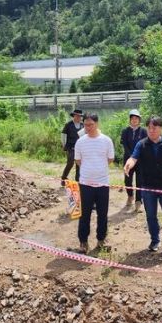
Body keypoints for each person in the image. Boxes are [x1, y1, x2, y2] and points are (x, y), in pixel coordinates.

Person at [124, 116, 162, 257]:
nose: (151, 130)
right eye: (149, 128)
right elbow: (134, 157)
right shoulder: (141, 144)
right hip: (147, 186)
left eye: (154, 128)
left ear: (161, 128)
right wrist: (129, 163)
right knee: (151, 215)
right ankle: (154, 241)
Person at [74, 113, 115, 254]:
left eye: (91, 124)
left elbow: (110, 159)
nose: (88, 127)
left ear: (97, 124)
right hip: (85, 184)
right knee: (84, 214)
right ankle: (83, 242)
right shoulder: (80, 142)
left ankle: (101, 240)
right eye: (85, 125)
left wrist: (98, 169)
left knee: (102, 214)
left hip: (103, 184)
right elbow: (78, 161)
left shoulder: (106, 141)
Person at [120, 109, 147, 211]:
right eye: (133, 118)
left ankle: (139, 201)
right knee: (127, 180)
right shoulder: (125, 131)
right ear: (130, 120)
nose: (134, 120)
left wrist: (138, 156)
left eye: (136, 118)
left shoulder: (144, 131)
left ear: (139, 120)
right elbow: (125, 145)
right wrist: (131, 156)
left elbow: (145, 145)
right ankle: (130, 196)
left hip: (141, 161)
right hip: (128, 159)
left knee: (140, 181)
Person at [60, 109, 84, 186]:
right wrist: (64, 145)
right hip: (71, 147)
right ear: (74, 116)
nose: (78, 117)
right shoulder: (68, 125)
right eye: (77, 116)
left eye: (80, 116)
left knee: (79, 164)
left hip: (80, 148)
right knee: (70, 163)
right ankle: (64, 178)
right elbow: (63, 135)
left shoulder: (82, 125)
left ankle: (78, 180)